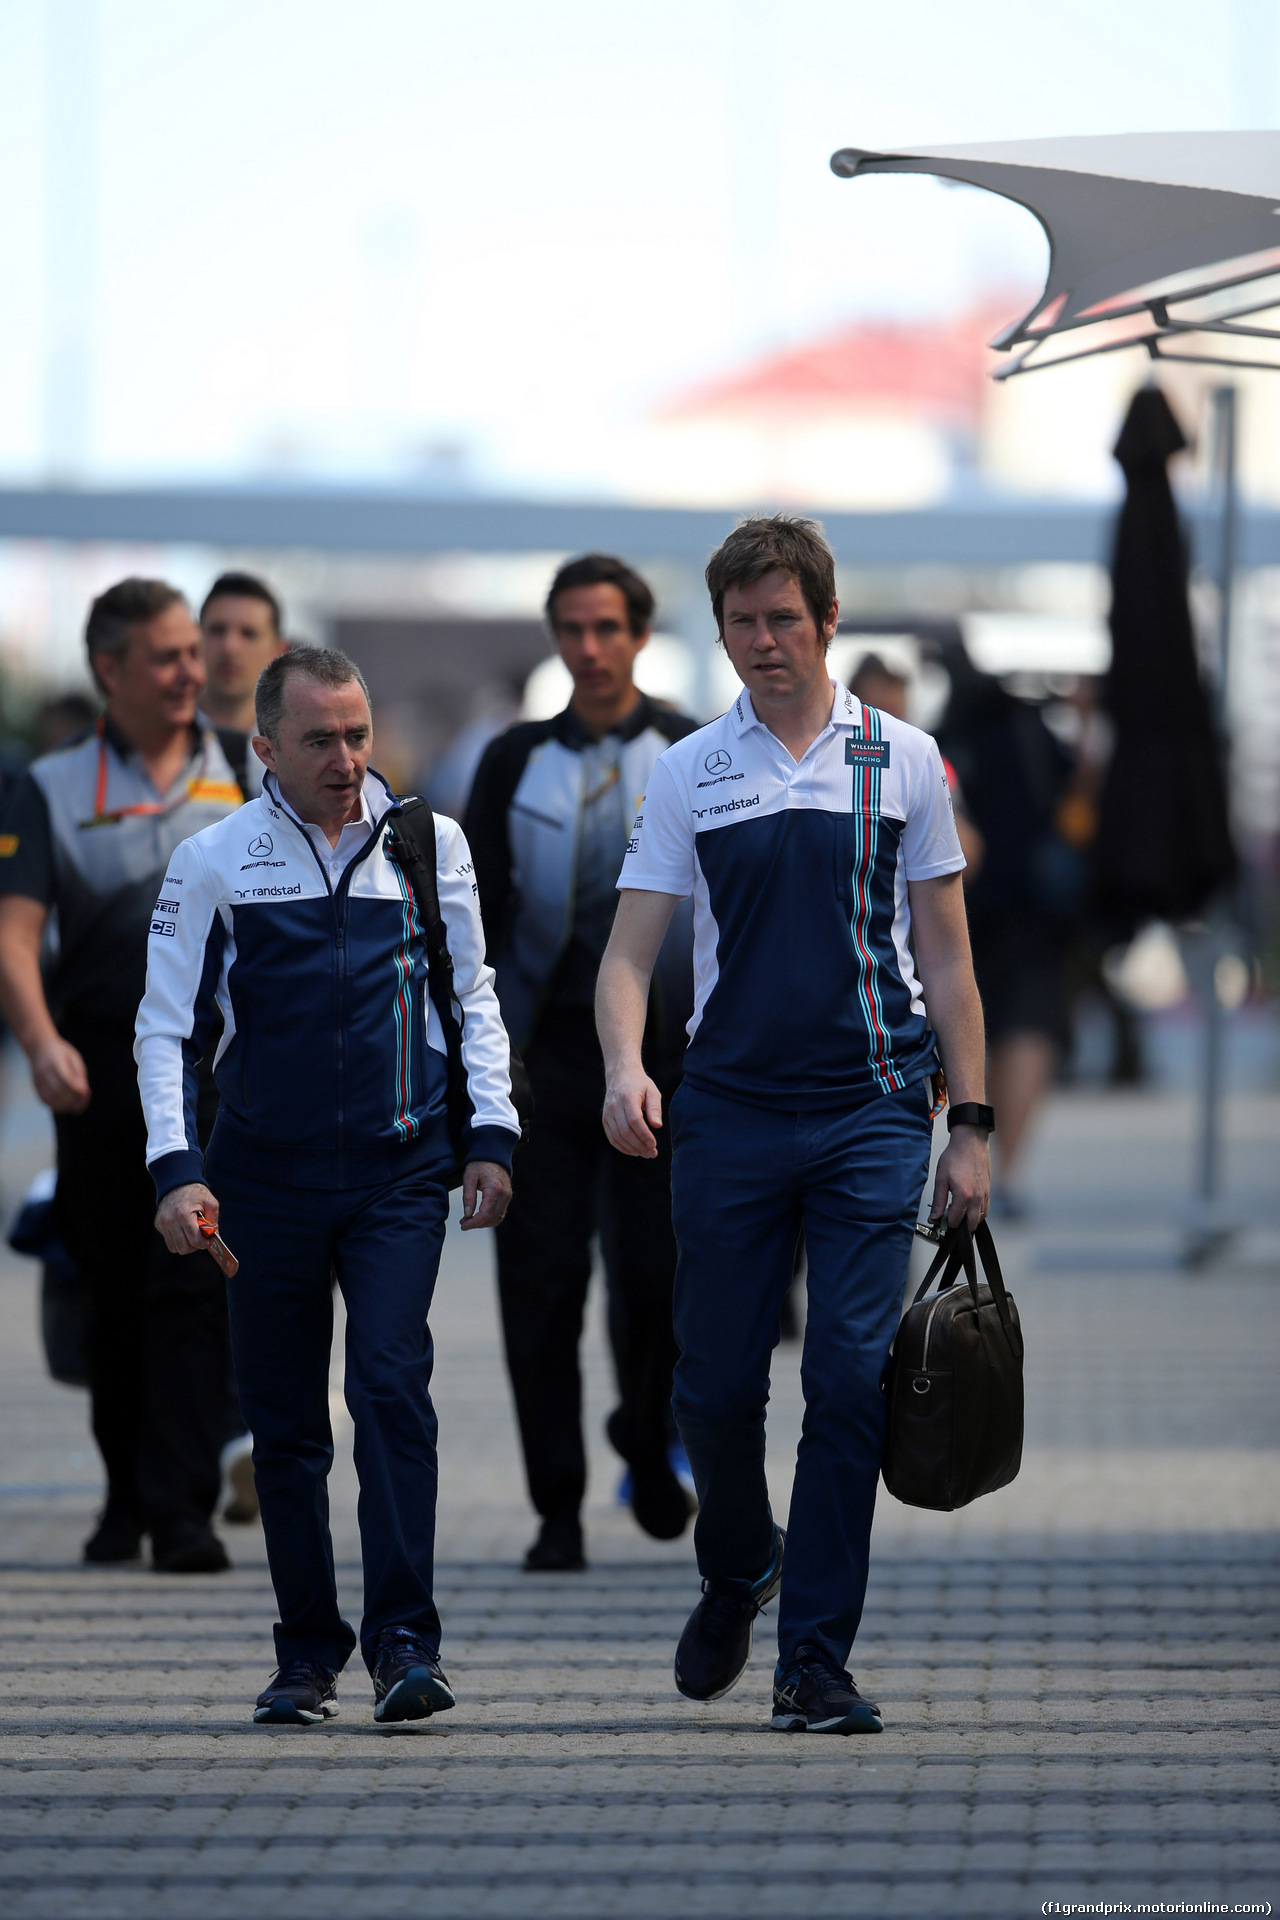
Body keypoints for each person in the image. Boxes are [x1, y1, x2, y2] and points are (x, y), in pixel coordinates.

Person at [597, 515, 990, 1734]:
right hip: (726, 1112)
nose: (764, 642)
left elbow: (949, 958)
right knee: (709, 1388)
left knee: (847, 1381)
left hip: (873, 1109)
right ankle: (736, 1565)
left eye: (783, 618)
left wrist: (968, 1127)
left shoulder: (902, 759)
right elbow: (629, 955)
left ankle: (813, 1660)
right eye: (741, 623)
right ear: (719, 633)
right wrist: (622, 1066)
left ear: (826, 620)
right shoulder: (688, 771)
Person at [136, 645, 519, 1726]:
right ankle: (306, 1652)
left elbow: (474, 995)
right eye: (319, 740)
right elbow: (164, 1030)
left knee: (390, 1390)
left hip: (401, 1175)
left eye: (357, 734)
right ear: (264, 747)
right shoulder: (211, 861)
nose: (347, 758)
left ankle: (406, 1642)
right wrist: (177, 1170)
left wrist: (492, 1133)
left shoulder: (428, 843)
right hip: (262, 1183)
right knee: (286, 1426)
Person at [0, 578, 247, 1571]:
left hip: (213, 1067)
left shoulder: (244, 772)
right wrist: (38, 1039)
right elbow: (14, 935)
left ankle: (181, 1507)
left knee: (192, 1280)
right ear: (110, 670)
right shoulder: (51, 787)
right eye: (166, 655)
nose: (193, 670)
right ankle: (121, 1496)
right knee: (108, 1284)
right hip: (98, 1066)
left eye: (193, 651)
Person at [464, 554, 697, 1571]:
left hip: (668, 1057)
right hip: (543, 1060)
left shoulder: (693, 748)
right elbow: (465, 922)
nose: (588, 649)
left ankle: (647, 1443)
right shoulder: (513, 760)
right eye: (570, 629)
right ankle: (555, 1507)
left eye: (606, 628)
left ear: (639, 636)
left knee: (659, 1280)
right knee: (541, 1285)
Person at [198, 572, 289, 795]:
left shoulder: (295, 748)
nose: (229, 647)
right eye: (217, 630)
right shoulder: (162, 742)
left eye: (248, 634)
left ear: (278, 652)